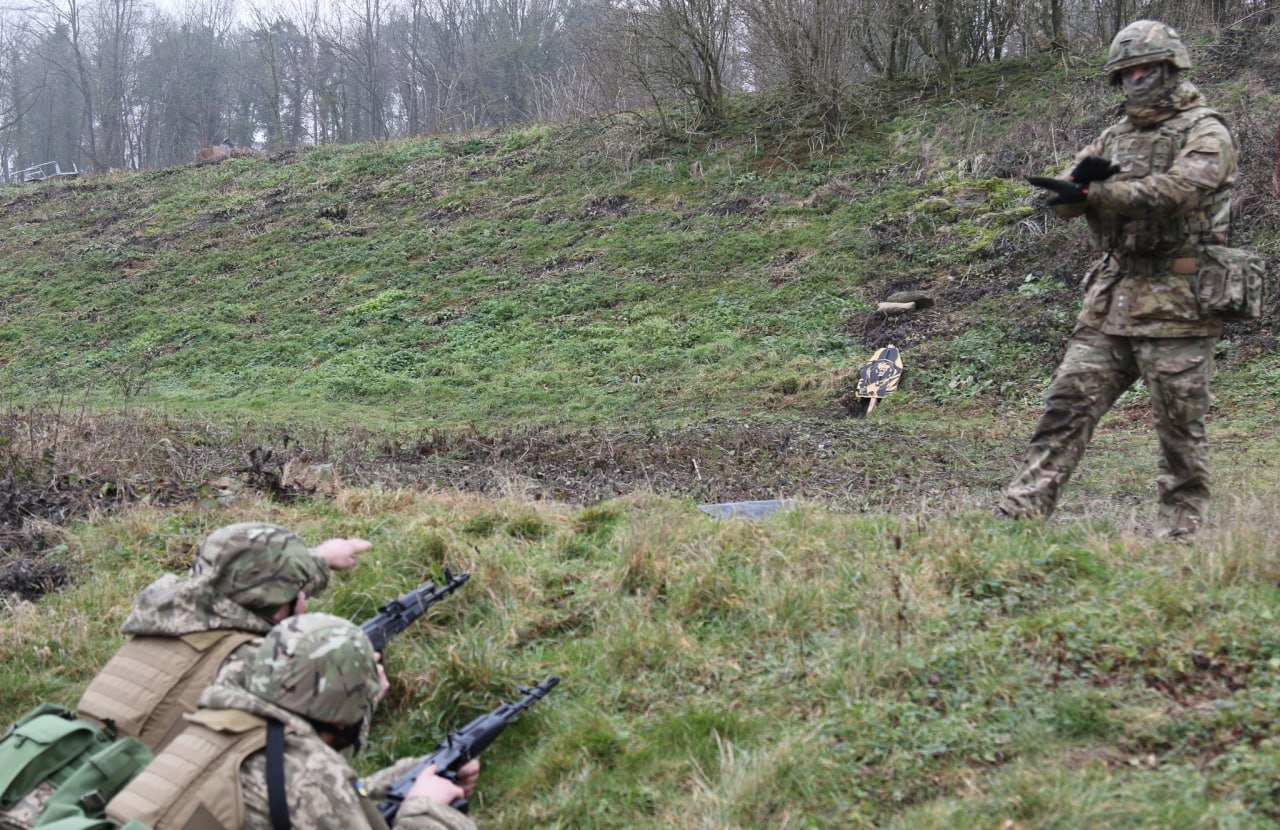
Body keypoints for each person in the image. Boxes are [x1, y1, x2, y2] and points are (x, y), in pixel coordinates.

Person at [997, 20, 1237, 539]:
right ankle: (1021, 517)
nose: (1136, 80)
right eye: (1127, 72)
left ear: (1172, 69)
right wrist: (1069, 192)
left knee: (1179, 429)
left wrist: (1097, 195)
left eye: (1146, 69)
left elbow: (1176, 193)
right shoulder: (1115, 136)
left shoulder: (1206, 131)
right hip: (1113, 301)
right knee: (1065, 406)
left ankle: (1181, 536)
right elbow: (1070, 199)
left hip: (1180, 301)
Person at [105, 613, 480, 830]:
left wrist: (395, 783)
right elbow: (309, 793)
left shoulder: (206, 731)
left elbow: (295, 803)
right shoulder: (307, 774)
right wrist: (424, 808)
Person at [76, 521, 370, 751]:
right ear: (281, 608)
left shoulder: (165, 621)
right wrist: (364, 698)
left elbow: (252, 578)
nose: (304, 599)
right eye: (300, 593)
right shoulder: (252, 665)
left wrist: (322, 557)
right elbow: (312, 761)